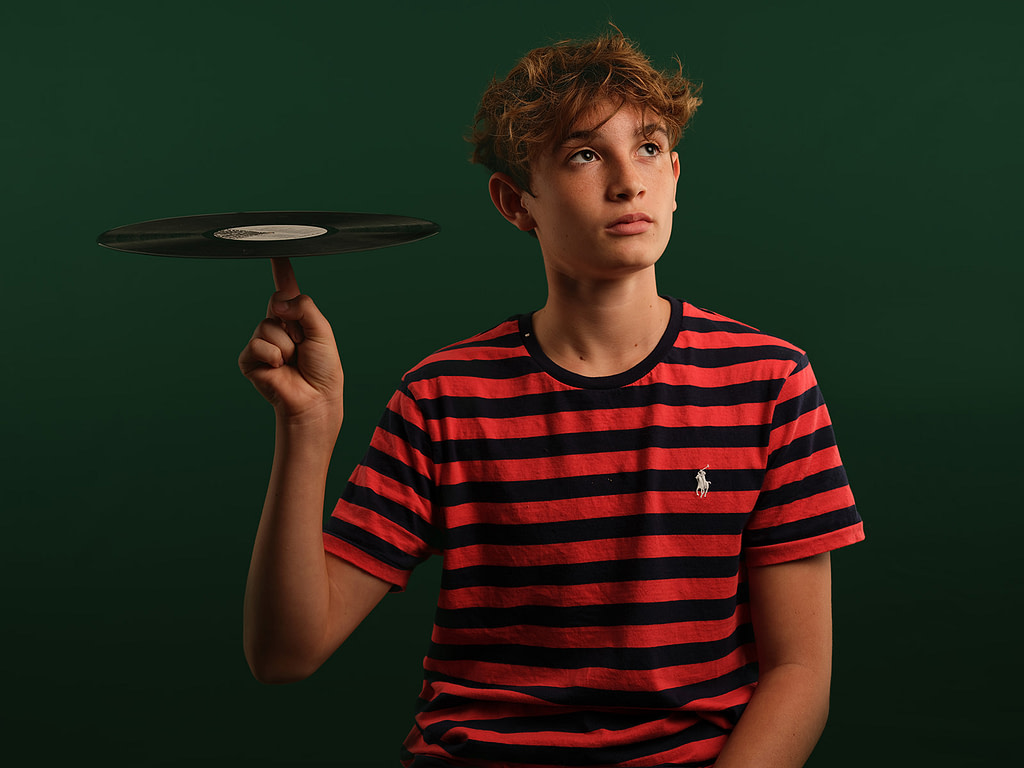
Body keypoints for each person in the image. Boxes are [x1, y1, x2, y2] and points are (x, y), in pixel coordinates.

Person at [238, 30, 864, 768]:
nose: (629, 181)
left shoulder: (770, 380)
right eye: (585, 154)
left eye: (651, 148)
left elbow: (800, 674)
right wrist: (307, 427)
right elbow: (286, 653)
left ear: (675, 176)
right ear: (515, 202)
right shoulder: (445, 396)